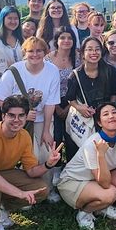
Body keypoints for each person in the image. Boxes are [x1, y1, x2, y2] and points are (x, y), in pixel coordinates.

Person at [0, 36, 61, 202]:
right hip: (18, 121)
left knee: (46, 153)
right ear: (24, 52)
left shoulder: (52, 70)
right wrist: (21, 115)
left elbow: (51, 102)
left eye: (39, 50)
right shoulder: (14, 71)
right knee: (31, 155)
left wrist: (46, 130)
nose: (35, 54)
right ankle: (21, 190)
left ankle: (46, 189)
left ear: (45, 52)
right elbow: (1, 98)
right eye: (31, 51)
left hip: (43, 119)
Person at [57, 103, 116, 230]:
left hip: (94, 179)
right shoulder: (92, 143)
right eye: (106, 114)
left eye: (114, 112)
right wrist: (100, 155)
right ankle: (84, 213)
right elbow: (105, 184)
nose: (111, 116)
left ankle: (101, 207)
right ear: (99, 123)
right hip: (73, 182)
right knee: (110, 192)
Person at [0, 95, 62, 230]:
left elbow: (31, 170)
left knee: (42, 189)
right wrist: (20, 193)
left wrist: (48, 164)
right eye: (11, 115)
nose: (16, 120)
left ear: (26, 117)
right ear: (3, 116)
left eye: (21, 116)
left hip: (3, 173)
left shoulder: (24, 135)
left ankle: (1, 208)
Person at [65, 37, 116, 157]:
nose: (94, 53)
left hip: (105, 119)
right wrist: (80, 108)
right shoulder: (75, 75)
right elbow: (70, 98)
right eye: (89, 49)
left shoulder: (109, 71)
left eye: (97, 49)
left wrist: (109, 111)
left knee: (107, 152)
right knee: (85, 152)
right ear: (83, 53)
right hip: (85, 119)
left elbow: (114, 94)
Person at [44, 26, 81, 164]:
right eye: (62, 37)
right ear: (56, 41)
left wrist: (70, 106)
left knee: (73, 138)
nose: (66, 40)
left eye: (70, 38)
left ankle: (73, 166)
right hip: (52, 102)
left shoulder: (78, 58)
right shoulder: (47, 59)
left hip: (74, 102)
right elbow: (45, 85)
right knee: (56, 137)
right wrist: (57, 108)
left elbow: (80, 83)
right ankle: (56, 166)